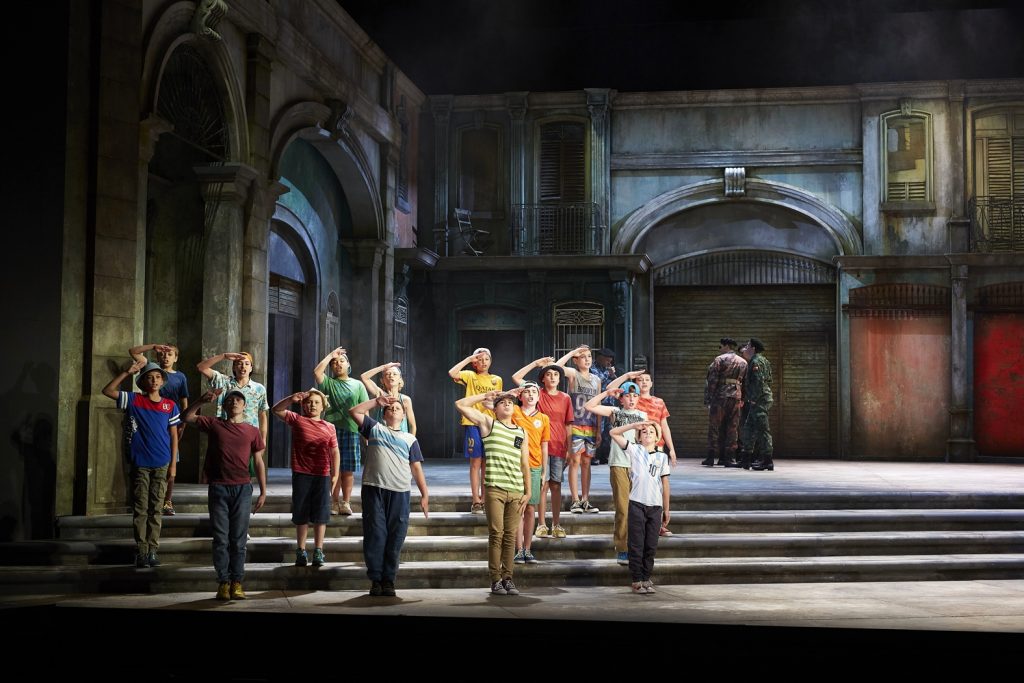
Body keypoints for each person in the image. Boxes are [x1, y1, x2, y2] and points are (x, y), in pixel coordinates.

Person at [181, 388, 267, 601]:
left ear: (244, 406)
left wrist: (263, 491)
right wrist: (200, 400)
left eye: (238, 399)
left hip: (243, 488)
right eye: (230, 399)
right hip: (219, 487)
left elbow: (258, 461)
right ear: (225, 405)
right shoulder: (215, 424)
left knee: (238, 540)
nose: (234, 402)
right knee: (220, 538)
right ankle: (223, 582)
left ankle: (237, 582)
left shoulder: (252, 431)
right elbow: (187, 417)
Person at [102, 358, 180, 568]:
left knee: (156, 507)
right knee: (141, 508)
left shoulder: (170, 405)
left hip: (162, 462)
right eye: (149, 377)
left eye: (157, 377)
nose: (154, 380)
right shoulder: (134, 400)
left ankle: (153, 549)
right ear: (143, 382)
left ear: (162, 381)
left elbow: (174, 436)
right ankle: (142, 550)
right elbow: (108, 391)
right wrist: (127, 372)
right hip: (141, 462)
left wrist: (173, 464)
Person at [349, 394, 429, 597]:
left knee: (396, 535)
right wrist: (377, 402)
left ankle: (389, 580)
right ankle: (376, 579)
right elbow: (354, 411)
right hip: (374, 488)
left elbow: (416, 467)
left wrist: (424, 494)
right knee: (375, 533)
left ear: (404, 416)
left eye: (398, 408)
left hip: (400, 491)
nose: (394, 410)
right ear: (383, 414)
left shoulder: (410, 439)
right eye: (390, 408)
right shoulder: (375, 428)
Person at [455, 390, 530, 596]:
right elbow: (460, 404)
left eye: (510, 402)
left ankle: (508, 578)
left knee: (510, 536)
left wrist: (528, 491)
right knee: (496, 534)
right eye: (502, 402)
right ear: (494, 409)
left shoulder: (521, 432)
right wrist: (485, 396)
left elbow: (525, 464)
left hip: (516, 490)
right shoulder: (489, 424)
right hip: (495, 488)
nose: (507, 404)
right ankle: (495, 579)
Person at [271, 389, 339, 567]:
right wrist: (291, 398)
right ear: (303, 405)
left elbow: (334, 451)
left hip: (322, 474)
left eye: (316, 402)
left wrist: (335, 474)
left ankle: (318, 550)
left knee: (321, 513)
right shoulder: (297, 420)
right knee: (301, 512)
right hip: (302, 473)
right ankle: (301, 550)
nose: (312, 405)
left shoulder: (329, 427)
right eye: (309, 402)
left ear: (323, 406)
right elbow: (276, 410)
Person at [584, 375, 647, 566]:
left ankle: (637, 546)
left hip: (638, 465)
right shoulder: (615, 412)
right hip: (619, 463)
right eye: (627, 396)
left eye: (634, 396)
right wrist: (606, 393)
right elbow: (589, 406)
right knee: (623, 508)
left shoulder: (643, 415)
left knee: (638, 509)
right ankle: (622, 548)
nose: (631, 399)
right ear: (621, 399)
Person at [512, 357, 574, 539]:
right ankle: (541, 524)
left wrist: (570, 448)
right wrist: (535, 364)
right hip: (539, 447)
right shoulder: (537, 393)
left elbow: (568, 424)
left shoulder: (565, 398)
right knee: (542, 484)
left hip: (559, 446)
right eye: (549, 374)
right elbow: (516, 378)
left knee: (556, 485)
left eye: (556, 374)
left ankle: (556, 524)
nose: (553, 377)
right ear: (542, 379)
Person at [609, 420, 671, 595]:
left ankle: (646, 578)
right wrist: (633, 426)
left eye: (651, 431)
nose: (648, 433)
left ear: (657, 437)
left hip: (655, 506)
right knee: (636, 544)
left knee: (650, 546)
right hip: (637, 503)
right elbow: (613, 433)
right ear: (639, 437)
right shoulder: (634, 450)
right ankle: (637, 579)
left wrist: (666, 508)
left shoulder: (662, 457)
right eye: (644, 432)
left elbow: (665, 484)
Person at [130, 342, 189, 516]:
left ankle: (167, 501)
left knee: (171, 460)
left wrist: (183, 423)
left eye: (170, 354)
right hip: (149, 421)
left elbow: (184, 401)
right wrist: (153, 346)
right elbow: (133, 352)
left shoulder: (180, 377)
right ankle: (145, 500)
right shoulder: (150, 370)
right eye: (162, 354)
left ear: (176, 358)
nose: (166, 357)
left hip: (170, 421)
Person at [313, 346, 369, 515]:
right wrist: (330, 355)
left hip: (351, 431)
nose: (338, 364)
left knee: (347, 470)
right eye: (334, 363)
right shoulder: (329, 383)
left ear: (348, 365)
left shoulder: (358, 385)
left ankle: (346, 502)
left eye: (341, 361)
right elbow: (317, 372)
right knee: (333, 469)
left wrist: (366, 432)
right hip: (331, 431)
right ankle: (334, 502)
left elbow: (364, 409)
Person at [196, 351, 269, 479]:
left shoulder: (259, 388)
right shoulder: (224, 381)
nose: (243, 366)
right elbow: (201, 367)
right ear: (234, 367)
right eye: (239, 363)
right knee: (226, 469)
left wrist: (263, 439)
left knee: (247, 472)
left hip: (249, 436)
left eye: (247, 363)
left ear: (251, 368)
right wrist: (223, 356)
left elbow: (262, 415)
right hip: (228, 433)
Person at [448, 348, 502, 514]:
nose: (483, 362)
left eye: (486, 359)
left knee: (487, 463)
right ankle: (476, 501)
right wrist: (468, 359)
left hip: (490, 423)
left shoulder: (496, 379)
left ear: (491, 361)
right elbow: (452, 373)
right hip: (472, 422)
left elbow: (497, 402)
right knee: (475, 462)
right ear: (474, 363)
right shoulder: (470, 376)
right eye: (479, 359)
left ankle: (485, 499)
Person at [555, 345, 601, 514]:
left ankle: (585, 500)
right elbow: (556, 367)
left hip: (591, 425)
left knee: (587, 463)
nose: (587, 359)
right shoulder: (574, 374)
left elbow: (598, 405)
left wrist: (599, 430)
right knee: (574, 461)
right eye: (583, 357)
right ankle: (575, 500)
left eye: (589, 356)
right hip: (575, 424)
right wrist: (573, 352)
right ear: (576, 361)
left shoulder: (597, 380)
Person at [634, 370, 677, 536]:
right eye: (640, 380)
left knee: (658, 486)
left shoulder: (659, 402)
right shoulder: (633, 400)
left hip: (657, 448)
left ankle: (659, 523)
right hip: (638, 449)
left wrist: (671, 449)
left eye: (647, 379)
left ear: (651, 383)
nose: (644, 382)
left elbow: (664, 426)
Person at [510, 382, 549, 565]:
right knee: (519, 507)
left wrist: (544, 470)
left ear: (539, 397)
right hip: (515, 465)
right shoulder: (514, 411)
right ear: (520, 396)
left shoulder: (543, 418)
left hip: (534, 466)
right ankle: (518, 550)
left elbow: (544, 445)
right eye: (526, 392)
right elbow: (490, 404)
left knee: (531, 508)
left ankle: (527, 548)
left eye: (534, 392)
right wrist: (511, 393)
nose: (531, 395)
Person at [703, 338, 747, 468]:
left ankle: (711, 457)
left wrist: (709, 399)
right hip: (736, 397)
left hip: (720, 397)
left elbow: (712, 381)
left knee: (714, 426)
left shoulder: (719, 360)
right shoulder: (743, 362)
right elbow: (745, 383)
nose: (720, 349)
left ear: (726, 346)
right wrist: (743, 398)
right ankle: (729, 458)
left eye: (720, 346)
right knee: (732, 427)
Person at [739, 338, 774, 471]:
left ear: (753, 348)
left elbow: (759, 382)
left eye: (748, 345)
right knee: (749, 428)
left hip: (759, 400)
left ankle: (767, 461)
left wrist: (754, 398)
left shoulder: (756, 361)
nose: (745, 348)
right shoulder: (764, 360)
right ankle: (746, 459)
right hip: (760, 398)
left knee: (762, 429)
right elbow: (769, 380)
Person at [360, 361, 416, 434]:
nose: (391, 376)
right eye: (387, 374)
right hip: (381, 437)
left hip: (400, 438)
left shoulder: (405, 400)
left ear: (400, 379)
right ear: (382, 380)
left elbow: (412, 426)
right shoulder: (379, 394)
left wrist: (411, 440)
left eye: (394, 374)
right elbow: (364, 377)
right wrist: (384, 367)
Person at [591, 347, 619, 465]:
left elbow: (615, 383)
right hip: (598, 404)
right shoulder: (592, 368)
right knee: (598, 430)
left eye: (610, 360)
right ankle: (593, 456)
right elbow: (597, 381)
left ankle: (604, 456)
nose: (609, 362)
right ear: (600, 358)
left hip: (609, 403)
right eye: (607, 360)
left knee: (608, 431)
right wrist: (608, 373)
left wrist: (613, 375)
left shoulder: (607, 369)